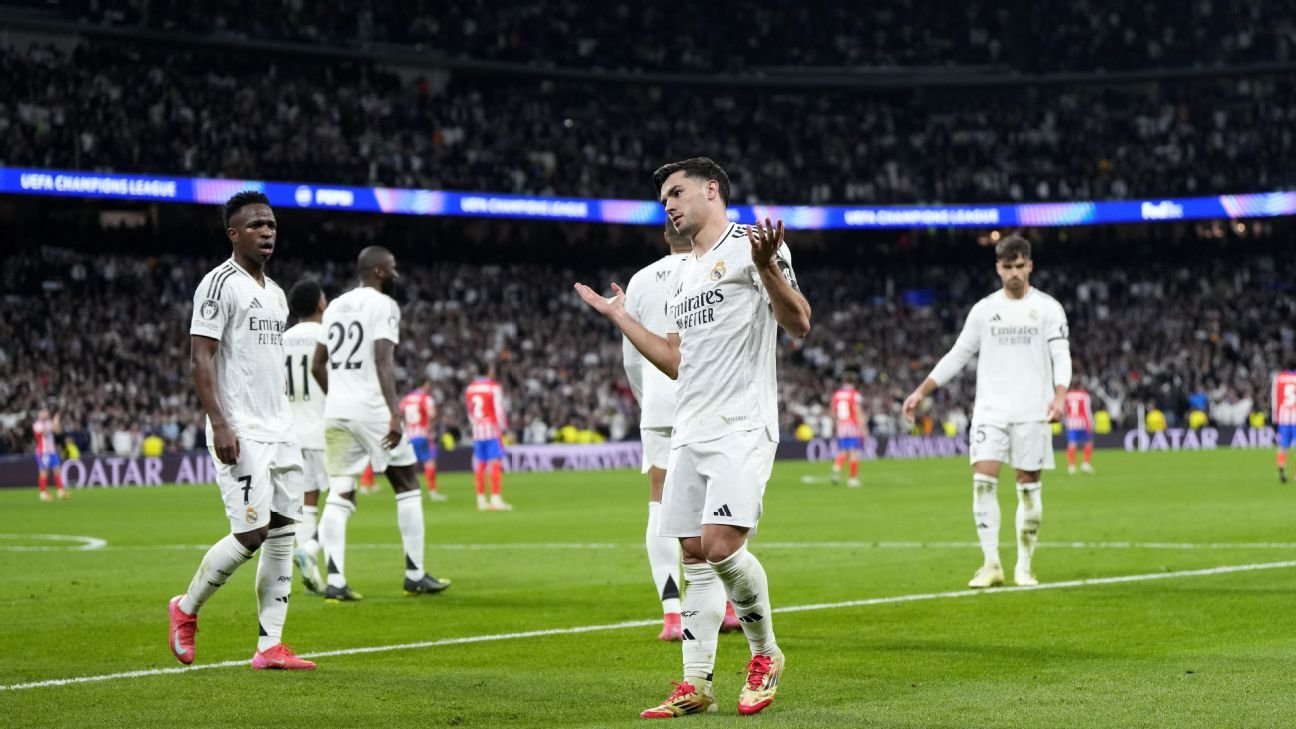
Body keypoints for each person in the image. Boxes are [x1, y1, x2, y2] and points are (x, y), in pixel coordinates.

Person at [576, 157, 812, 718]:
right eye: (664, 200)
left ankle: (766, 654)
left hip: (741, 422)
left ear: (711, 189)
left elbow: (800, 322)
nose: (669, 206)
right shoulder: (684, 273)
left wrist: (768, 269)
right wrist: (620, 317)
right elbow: (676, 360)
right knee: (692, 553)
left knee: (721, 545)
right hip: (690, 427)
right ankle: (695, 683)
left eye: (676, 193)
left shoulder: (755, 245)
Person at [168, 190, 314, 670]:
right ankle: (185, 608)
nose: (267, 232)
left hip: (281, 428)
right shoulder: (218, 284)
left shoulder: (276, 294)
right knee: (252, 533)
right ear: (233, 234)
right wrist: (219, 422)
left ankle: (270, 646)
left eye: (271, 225)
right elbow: (200, 358)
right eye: (255, 225)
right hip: (241, 428)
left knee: (283, 532)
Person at [902, 234, 1070, 590]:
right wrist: (921, 391)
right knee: (983, 483)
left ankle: (1025, 566)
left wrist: (1060, 396)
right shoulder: (983, 310)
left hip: (1033, 410)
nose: (1014, 273)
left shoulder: (1049, 308)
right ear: (998, 268)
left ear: (1030, 265)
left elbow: (1061, 356)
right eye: (1008, 267)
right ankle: (991, 563)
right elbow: (957, 355)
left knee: (1029, 487)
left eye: (1020, 266)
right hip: (990, 410)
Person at [622, 220, 741, 641]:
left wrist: (649, 402)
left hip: (660, 403)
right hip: (710, 401)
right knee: (721, 505)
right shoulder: (715, 267)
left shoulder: (640, 280)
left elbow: (632, 358)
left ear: (664, 238)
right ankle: (728, 606)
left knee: (660, 502)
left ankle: (672, 614)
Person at [311, 246, 451, 601]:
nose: (396, 274)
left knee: (340, 492)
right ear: (377, 271)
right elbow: (383, 360)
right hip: (372, 408)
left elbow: (317, 364)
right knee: (407, 483)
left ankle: (335, 581)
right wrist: (394, 412)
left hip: (337, 411)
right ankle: (415, 574)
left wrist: (338, 396)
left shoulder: (335, 306)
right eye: (392, 268)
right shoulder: (384, 305)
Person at [283, 278, 329, 595]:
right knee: (344, 499)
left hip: (291, 433)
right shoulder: (326, 336)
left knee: (307, 501)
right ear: (320, 304)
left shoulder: (281, 340)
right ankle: (314, 553)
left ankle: (312, 569)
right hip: (324, 429)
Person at [465, 365, 511, 511]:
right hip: (491, 430)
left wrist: (476, 425)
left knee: (481, 464)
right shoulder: (493, 387)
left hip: (477, 430)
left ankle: (481, 500)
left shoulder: (470, 388)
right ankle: (496, 499)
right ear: (489, 371)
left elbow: (469, 411)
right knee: (495, 463)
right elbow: (499, 410)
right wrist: (504, 429)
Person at [399, 379, 447, 501]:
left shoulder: (406, 399)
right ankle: (432, 492)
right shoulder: (426, 398)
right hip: (422, 434)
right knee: (429, 462)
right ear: (424, 385)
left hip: (409, 435)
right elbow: (432, 414)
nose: (429, 388)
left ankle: (409, 492)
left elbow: (399, 413)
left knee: (410, 464)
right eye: (428, 385)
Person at [830, 373, 867, 487]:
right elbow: (857, 410)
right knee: (853, 452)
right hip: (852, 425)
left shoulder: (836, 394)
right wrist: (863, 427)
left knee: (843, 451)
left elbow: (833, 412)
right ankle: (852, 479)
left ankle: (836, 466)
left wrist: (835, 425)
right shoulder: (854, 394)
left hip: (841, 425)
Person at [32, 408, 68, 501]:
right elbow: (44, 433)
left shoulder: (49, 422)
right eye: (44, 412)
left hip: (52, 451)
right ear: (39, 414)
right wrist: (53, 425)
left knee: (57, 471)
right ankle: (43, 493)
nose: (46, 413)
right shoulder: (37, 424)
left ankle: (60, 491)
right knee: (44, 472)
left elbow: (58, 431)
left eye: (47, 412)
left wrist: (57, 420)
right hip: (43, 452)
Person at [1064, 380, 1095, 475]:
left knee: (1072, 444)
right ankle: (1086, 463)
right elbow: (1086, 410)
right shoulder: (1084, 395)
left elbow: (1065, 409)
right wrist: (1090, 422)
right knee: (1088, 442)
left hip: (1071, 422)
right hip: (1083, 422)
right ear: (1080, 386)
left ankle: (1071, 466)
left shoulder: (1067, 395)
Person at [1271, 363, 1296, 482]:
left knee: (1283, 446)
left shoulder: (1279, 378)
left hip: (1283, 417)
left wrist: (1274, 417)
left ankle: (1281, 466)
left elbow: (1274, 398)